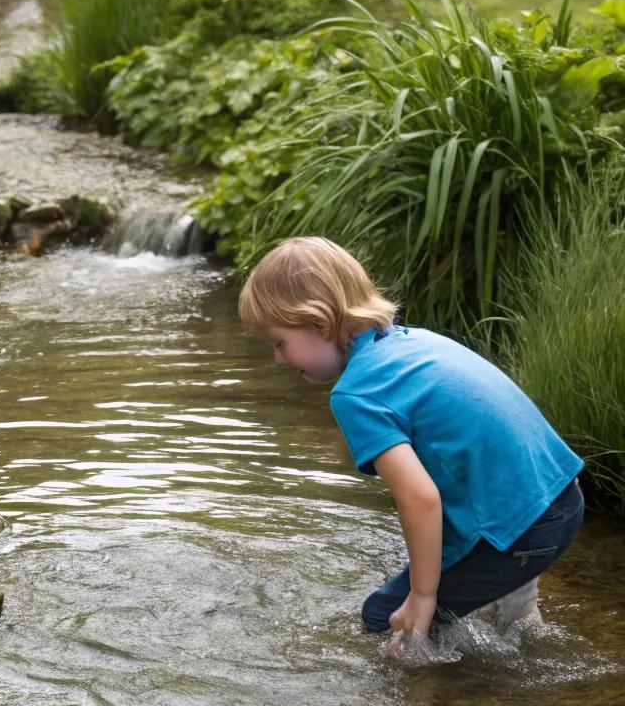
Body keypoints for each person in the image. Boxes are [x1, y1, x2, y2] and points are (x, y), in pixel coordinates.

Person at [239, 236, 584, 642]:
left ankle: (436, 697)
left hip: (526, 527)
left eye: (280, 343)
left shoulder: (356, 393)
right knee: (454, 562)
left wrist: (422, 595)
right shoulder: (412, 342)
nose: (278, 359)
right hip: (561, 497)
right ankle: (518, 608)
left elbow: (420, 498)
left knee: (384, 619)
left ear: (320, 323)